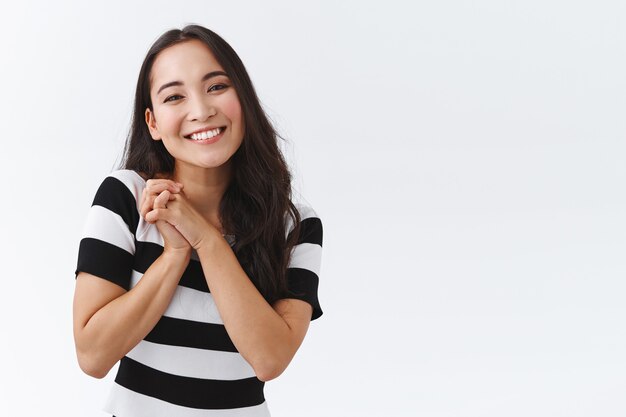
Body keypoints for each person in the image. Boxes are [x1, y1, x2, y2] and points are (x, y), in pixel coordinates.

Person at [72, 24, 323, 417]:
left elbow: (270, 359)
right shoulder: (125, 197)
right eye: (175, 96)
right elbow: (93, 355)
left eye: (217, 87)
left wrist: (206, 239)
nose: (201, 110)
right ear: (153, 123)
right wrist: (174, 253)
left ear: (244, 98)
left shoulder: (295, 225)